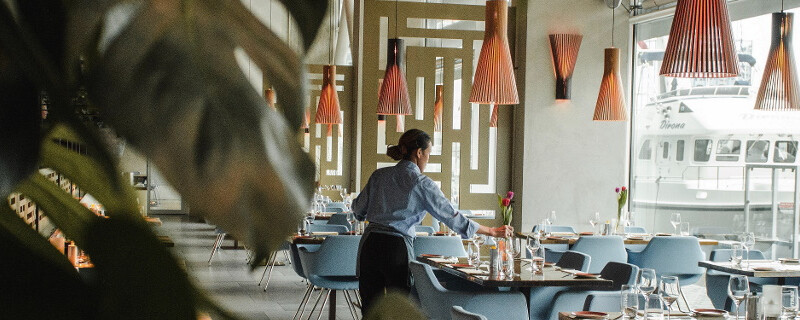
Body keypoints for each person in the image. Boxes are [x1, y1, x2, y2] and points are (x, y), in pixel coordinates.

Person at [352, 128, 514, 313]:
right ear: (419, 153)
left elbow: (358, 210)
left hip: (369, 245)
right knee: (401, 310)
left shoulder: (378, 176)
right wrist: (491, 231)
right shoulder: (421, 183)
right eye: (428, 154)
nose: (427, 159)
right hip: (396, 249)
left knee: (370, 309)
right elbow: (450, 216)